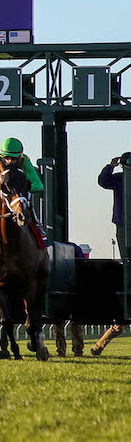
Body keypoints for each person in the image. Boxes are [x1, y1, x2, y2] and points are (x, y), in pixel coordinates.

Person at [92, 152, 131, 355]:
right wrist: (110, 166)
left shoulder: (120, 179)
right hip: (123, 226)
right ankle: (99, 345)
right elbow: (102, 181)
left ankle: (99, 345)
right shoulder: (118, 179)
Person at [0, 138, 45, 244]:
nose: (9, 161)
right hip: (2, 190)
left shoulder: (25, 161)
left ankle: (37, 225)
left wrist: (25, 187)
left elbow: (39, 185)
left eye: (13, 159)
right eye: (7, 158)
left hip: (19, 191)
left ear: (19, 157)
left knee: (25, 202)